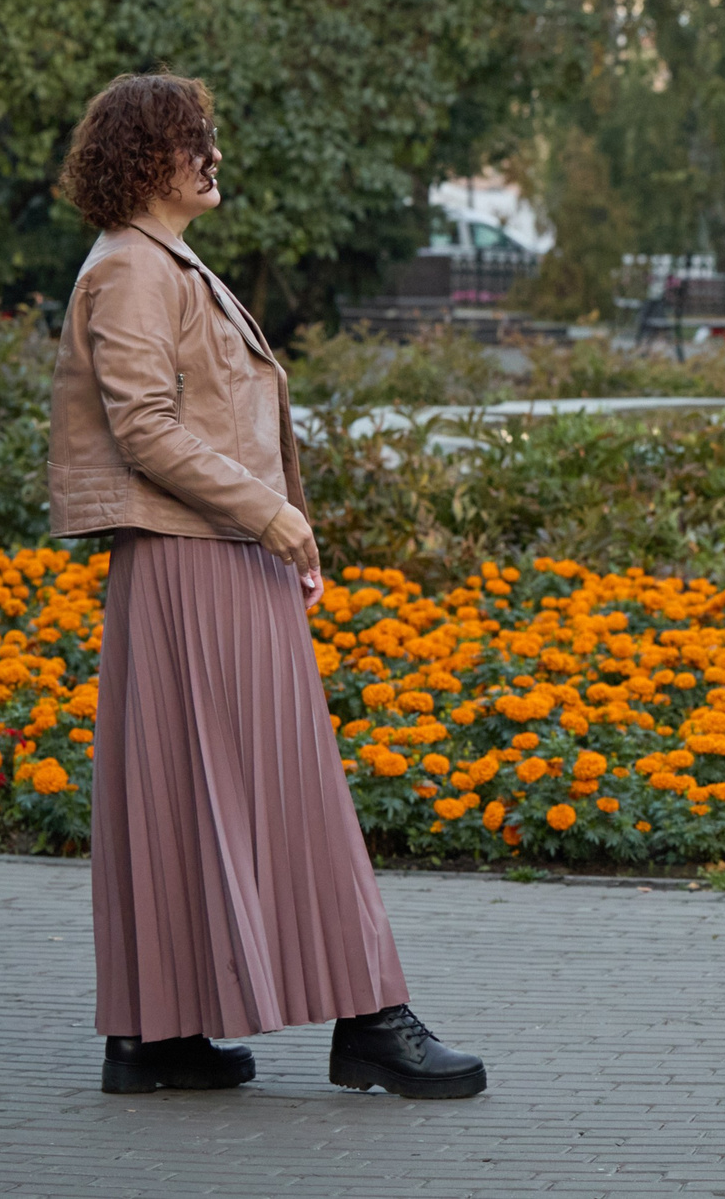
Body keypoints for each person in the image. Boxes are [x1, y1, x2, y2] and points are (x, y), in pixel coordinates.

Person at [48, 71, 487, 1100]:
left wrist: (280, 529)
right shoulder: (133, 268)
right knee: (292, 788)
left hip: (203, 558)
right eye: (193, 140)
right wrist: (271, 517)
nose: (213, 157)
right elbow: (145, 427)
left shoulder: (157, 260)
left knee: (178, 792)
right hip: (199, 561)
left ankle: (154, 1036)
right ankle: (370, 1019)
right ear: (147, 157)